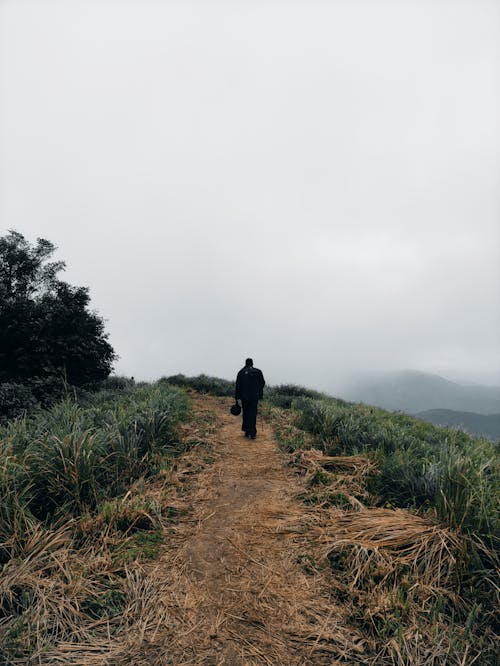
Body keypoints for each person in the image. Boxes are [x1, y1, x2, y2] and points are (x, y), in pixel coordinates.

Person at [235, 358, 265, 439]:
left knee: (246, 413)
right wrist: (259, 394)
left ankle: (247, 431)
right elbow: (262, 383)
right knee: (253, 413)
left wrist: (237, 398)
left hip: (244, 397)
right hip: (254, 397)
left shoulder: (241, 372)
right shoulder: (258, 372)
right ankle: (252, 432)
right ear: (252, 363)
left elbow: (238, 386)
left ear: (245, 363)